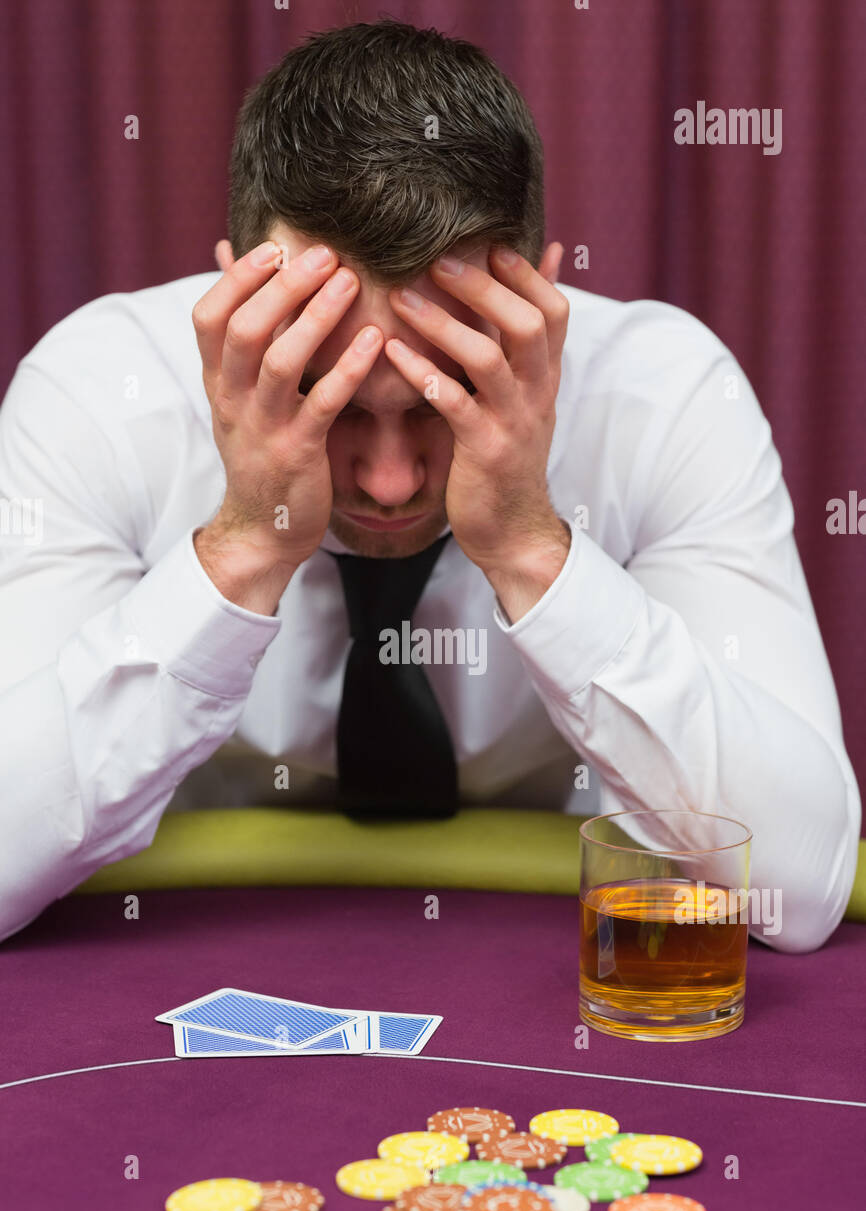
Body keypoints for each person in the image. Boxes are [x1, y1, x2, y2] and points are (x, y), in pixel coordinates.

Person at [0, 20, 859, 951]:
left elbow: (799, 886)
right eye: (325, 400)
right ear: (234, 309)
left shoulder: (664, 396)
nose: (391, 481)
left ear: (542, 304)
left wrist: (534, 546)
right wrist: (247, 542)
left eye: (445, 402)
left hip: (537, 959)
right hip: (192, 949)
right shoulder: (98, 393)